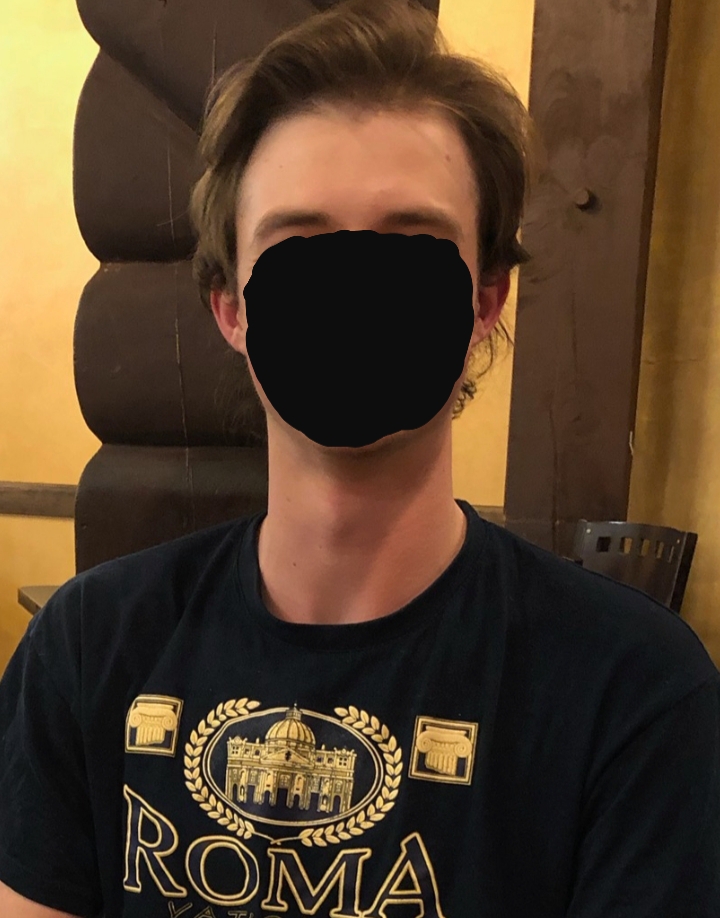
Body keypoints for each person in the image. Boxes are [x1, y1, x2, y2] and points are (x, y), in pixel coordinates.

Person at [1, 0, 718, 915]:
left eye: (412, 242)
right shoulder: (87, 647)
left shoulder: (633, 690)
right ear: (232, 307)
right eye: (298, 243)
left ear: (484, 301)